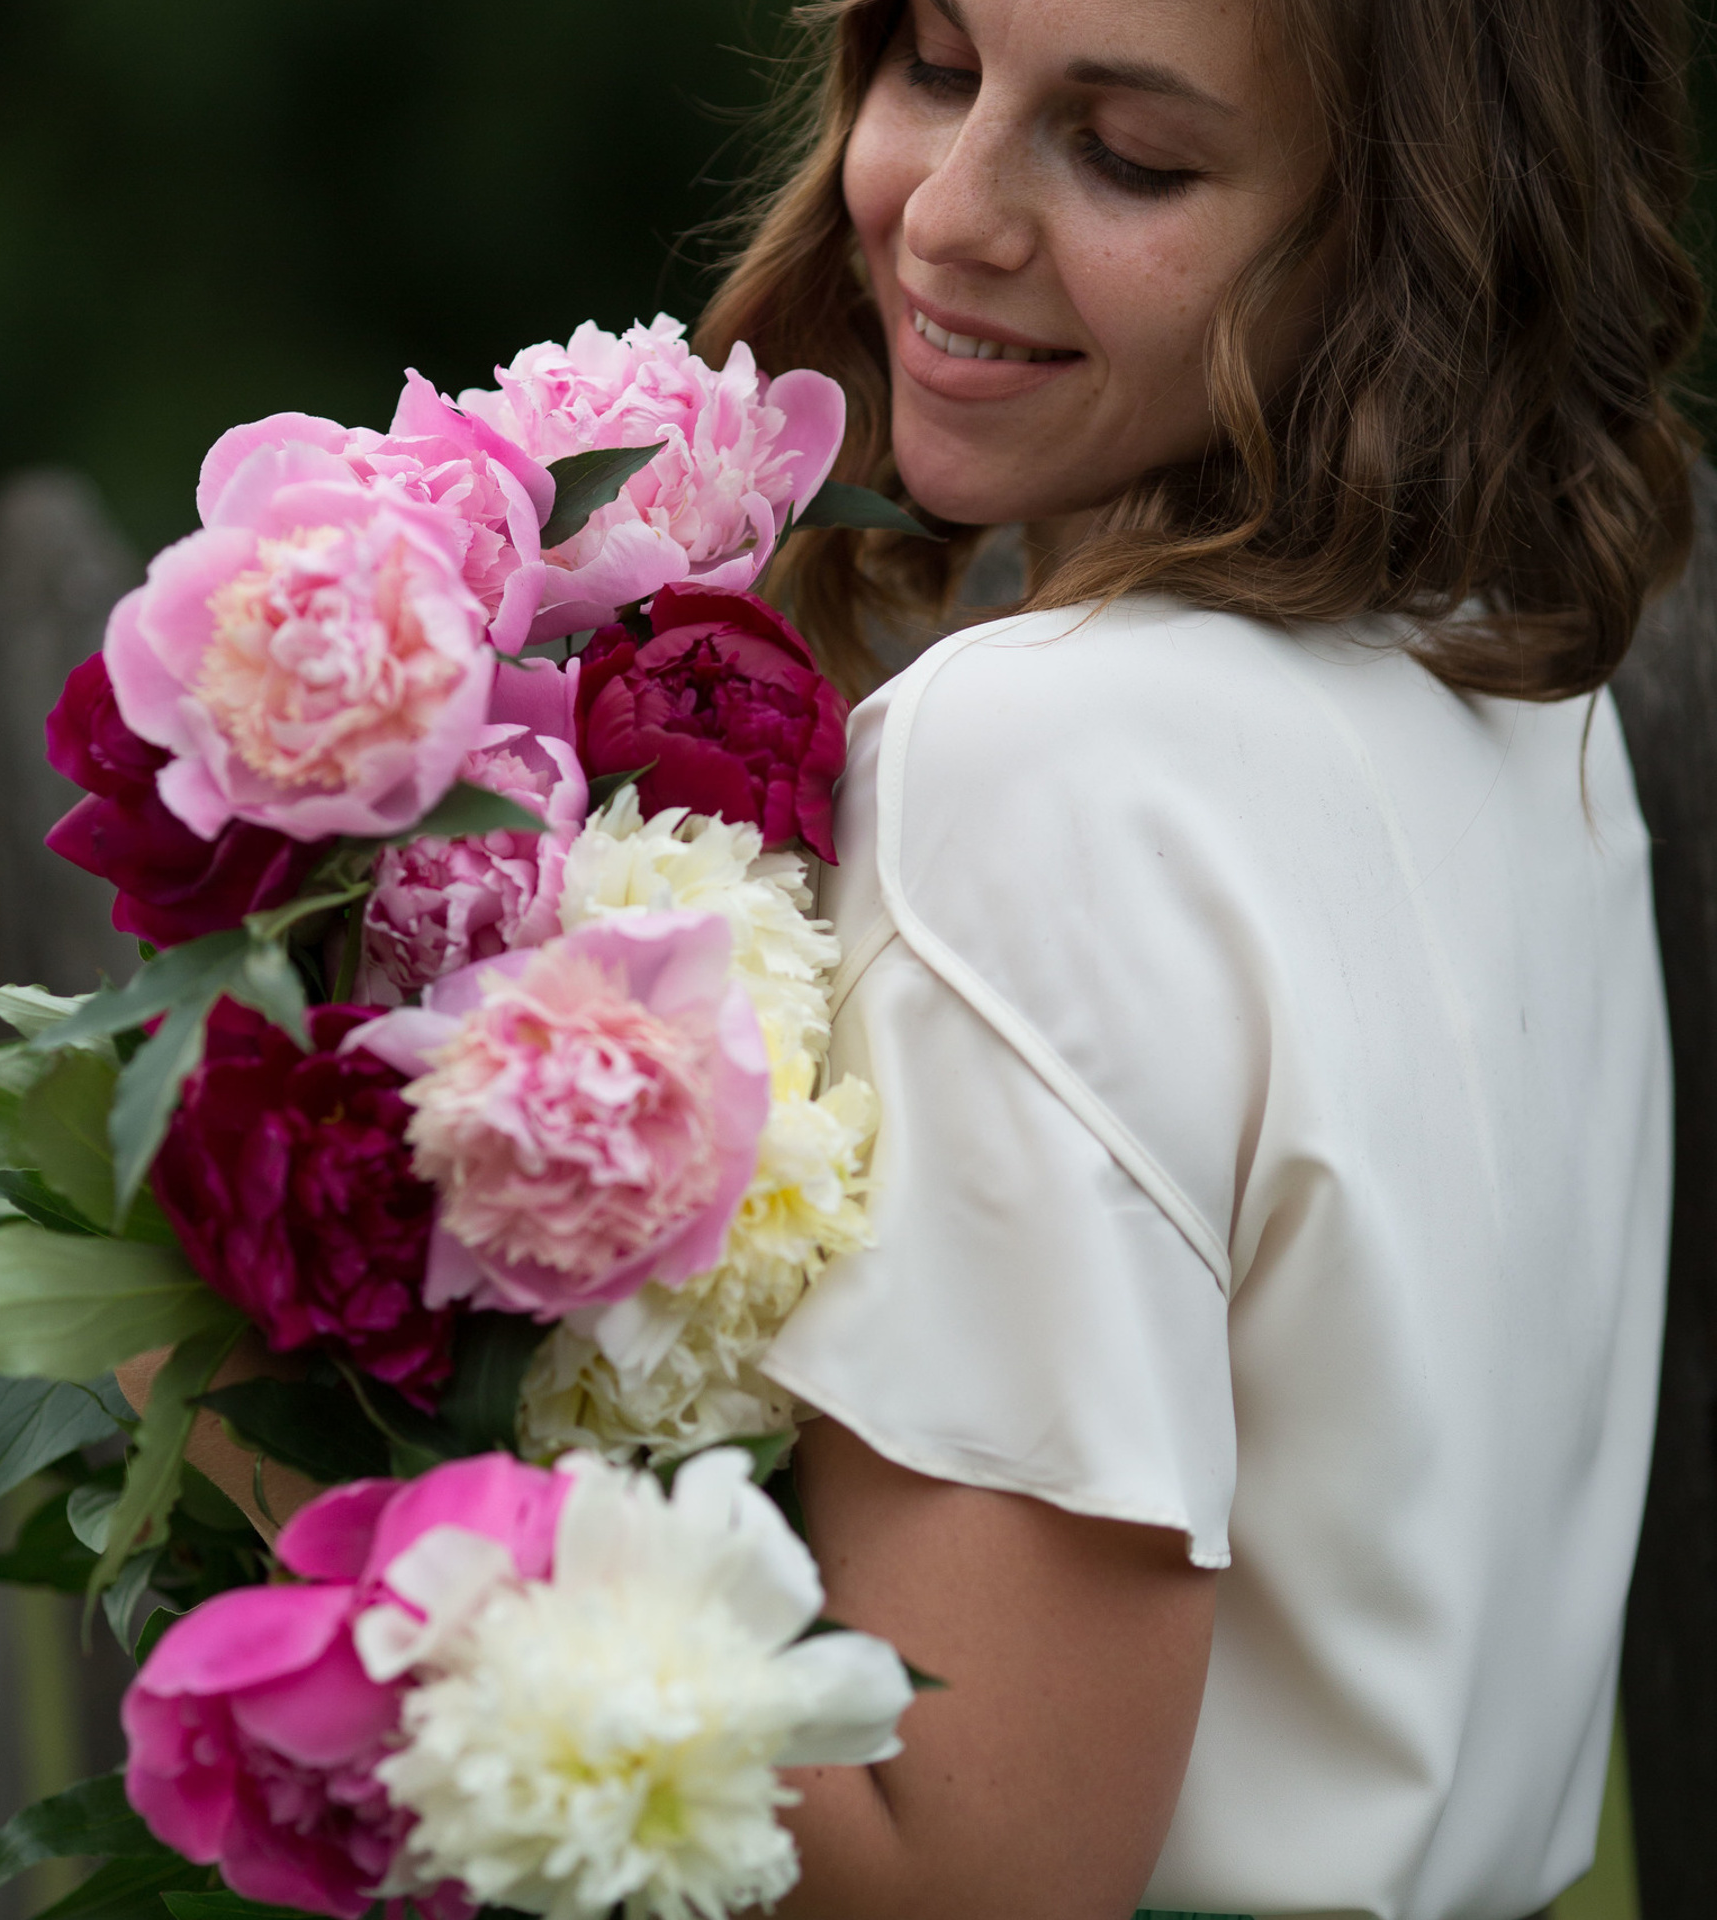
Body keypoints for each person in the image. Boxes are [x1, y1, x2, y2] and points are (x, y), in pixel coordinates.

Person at [681, 0, 1702, 1916]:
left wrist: (318, 1483)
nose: (947, 210)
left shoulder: (1042, 762)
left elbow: (971, 1876)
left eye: (1130, 154)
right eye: (932, 62)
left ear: (1399, 241)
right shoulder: (1506, 685)